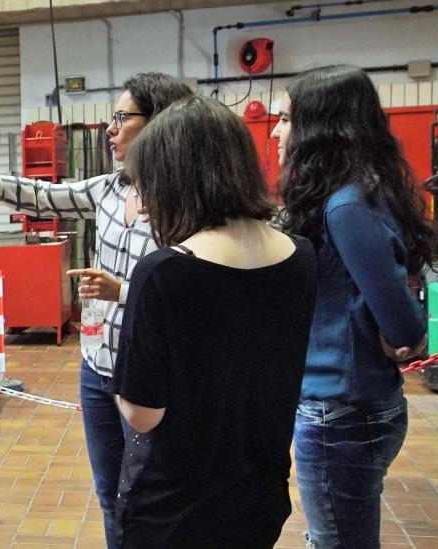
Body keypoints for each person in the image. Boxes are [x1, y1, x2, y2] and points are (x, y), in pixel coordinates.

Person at [0, 72, 193, 547]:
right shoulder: (110, 189)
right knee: (110, 493)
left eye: (122, 117)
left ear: (159, 123)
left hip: (154, 377)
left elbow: (196, 293)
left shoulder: (191, 202)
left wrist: (125, 292)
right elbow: (40, 195)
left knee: (153, 496)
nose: (109, 129)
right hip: (98, 369)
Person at [111, 96, 317, 548]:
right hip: (258, 495)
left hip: (176, 510)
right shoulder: (301, 255)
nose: (145, 204)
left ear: (174, 181)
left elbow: (142, 415)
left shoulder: (164, 271)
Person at [272, 65, 435, 549]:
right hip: (347, 410)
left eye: (286, 118)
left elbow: (404, 327)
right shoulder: (347, 197)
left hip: (342, 414)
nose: (278, 131)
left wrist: (407, 332)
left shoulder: (346, 207)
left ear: (321, 129)